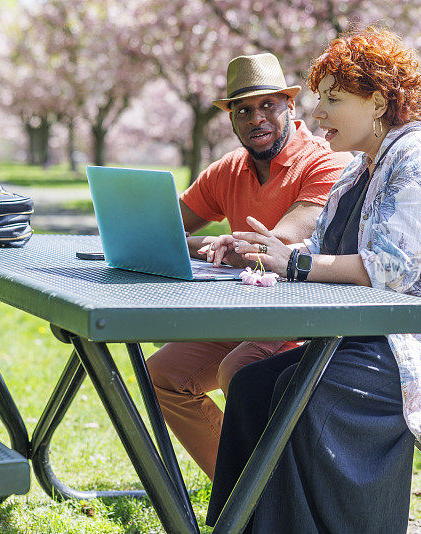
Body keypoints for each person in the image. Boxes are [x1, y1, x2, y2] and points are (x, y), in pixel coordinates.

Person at [205, 27, 421, 533]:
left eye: (333, 99)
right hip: (370, 344)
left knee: (297, 393)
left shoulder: (420, 157)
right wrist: (261, 252)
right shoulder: (358, 171)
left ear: (377, 102)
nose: (318, 113)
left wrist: (295, 263)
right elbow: (319, 251)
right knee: (249, 386)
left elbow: (388, 270)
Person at [146, 52, 352, 480]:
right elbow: (161, 226)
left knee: (238, 371)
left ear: (290, 107)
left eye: (267, 106)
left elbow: (274, 246)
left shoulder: (325, 161)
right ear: (232, 119)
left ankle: (261, 495)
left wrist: (205, 244)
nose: (256, 118)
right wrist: (158, 230)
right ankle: (243, 488)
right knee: (163, 374)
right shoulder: (229, 170)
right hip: (244, 313)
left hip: (303, 319)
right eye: (243, 110)